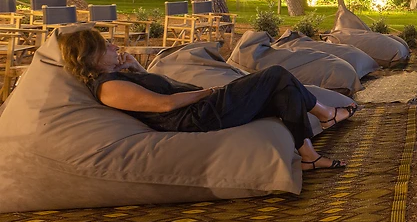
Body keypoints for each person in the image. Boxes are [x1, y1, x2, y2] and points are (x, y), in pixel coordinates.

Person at [59, 28, 353, 171]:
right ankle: (326, 113)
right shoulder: (108, 87)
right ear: (91, 57)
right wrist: (209, 91)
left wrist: (135, 67)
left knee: (283, 92)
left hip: (201, 108)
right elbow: (164, 105)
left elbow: (155, 90)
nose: (113, 46)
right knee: (275, 73)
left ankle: (309, 157)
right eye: (105, 46)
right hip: (198, 116)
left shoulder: (119, 76)